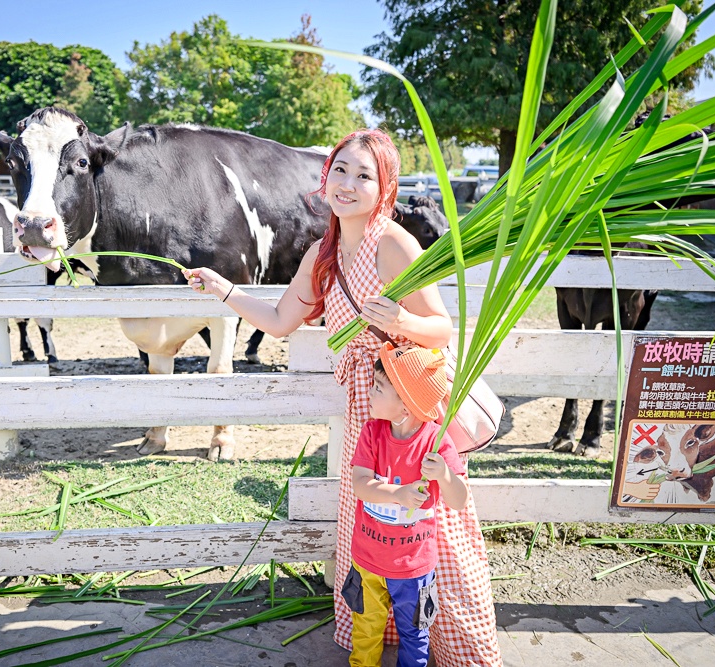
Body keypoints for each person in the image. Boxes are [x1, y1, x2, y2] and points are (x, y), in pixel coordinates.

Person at [183, 128, 502, 665]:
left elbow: (442, 331)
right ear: (325, 175)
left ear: (386, 188)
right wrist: (225, 290)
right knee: (375, 519)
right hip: (364, 409)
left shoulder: (395, 244)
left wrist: (401, 320)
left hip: (407, 407)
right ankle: (382, 639)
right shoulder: (321, 253)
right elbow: (281, 321)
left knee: (432, 525)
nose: (348, 184)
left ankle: (455, 648)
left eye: (364, 175)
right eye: (340, 170)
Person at [344, 342, 468, 666]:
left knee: (415, 636)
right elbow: (359, 485)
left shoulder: (436, 442)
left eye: (378, 388)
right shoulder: (372, 432)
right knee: (365, 630)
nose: (370, 392)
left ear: (405, 407)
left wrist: (443, 474)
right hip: (367, 561)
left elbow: (459, 501)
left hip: (413, 569)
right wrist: (397, 495)